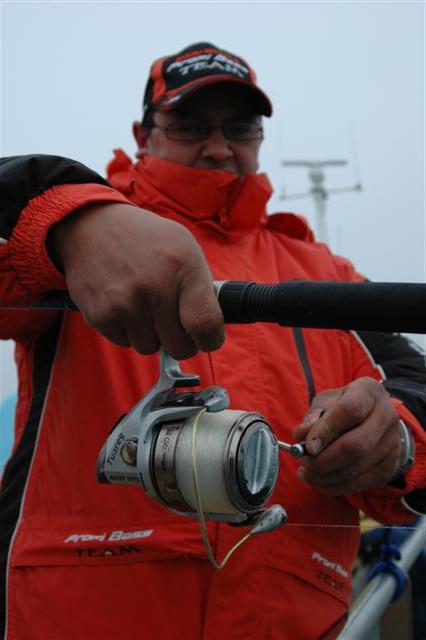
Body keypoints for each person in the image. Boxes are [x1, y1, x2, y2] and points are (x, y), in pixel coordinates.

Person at [0, 42, 425, 640]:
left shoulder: (330, 275)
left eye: (240, 128)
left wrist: (396, 440)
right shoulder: (66, 241)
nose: (219, 146)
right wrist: (67, 221)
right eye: (191, 126)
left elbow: (415, 384)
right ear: (143, 135)